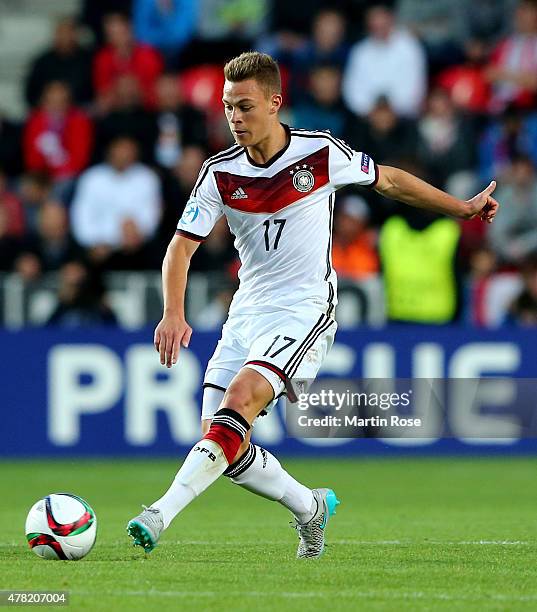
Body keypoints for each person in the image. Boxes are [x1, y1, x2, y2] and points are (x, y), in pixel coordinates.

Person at [126, 51, 499, 559]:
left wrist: (460, 208)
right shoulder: (219, 173)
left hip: (304, 307)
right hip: (246, 312)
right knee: (220, 443)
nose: (235, 118)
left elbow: (388, 179)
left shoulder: (319, 153)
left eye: (246, 106)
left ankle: (159, 512)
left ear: (275, 103)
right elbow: (180, 247)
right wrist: (173, 311)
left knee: (237, 405)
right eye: (228, 107)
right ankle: (310, 507)